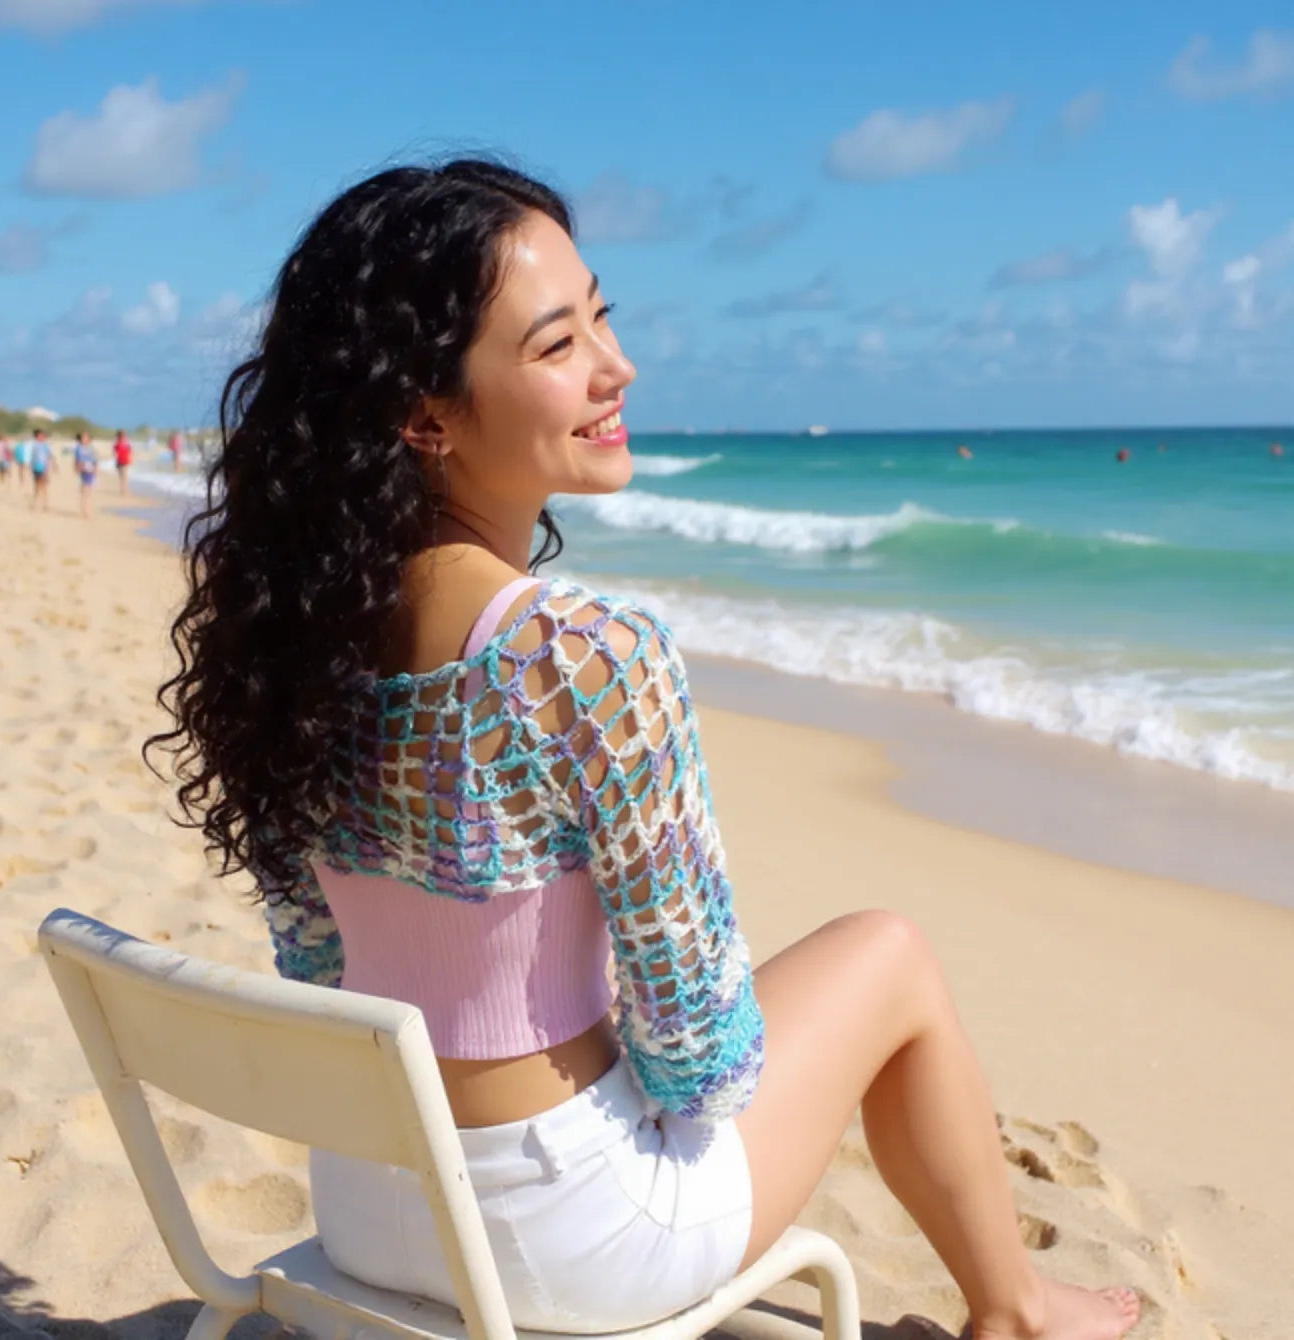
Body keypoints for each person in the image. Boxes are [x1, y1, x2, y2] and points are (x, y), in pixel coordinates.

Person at [146, 159, 1139, 1339]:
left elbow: (318, 963)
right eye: (558, 343)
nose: (617, 367)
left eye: (600, 317)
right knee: (889, 952)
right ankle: (1016, 1306)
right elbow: (703, 1068)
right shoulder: (580, 656)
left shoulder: (287, 637)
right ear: (424, 414)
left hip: (366, 1198)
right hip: (561, 1239)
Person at [74, 431, 99, 518]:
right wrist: (76, 468)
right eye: (83, 437)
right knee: (85, 490)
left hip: (90, 469)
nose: (85, 439)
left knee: (87, 491)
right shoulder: (78, 448)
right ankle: (84, 511)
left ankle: (85, 510)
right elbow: (76, 459)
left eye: (86, 437)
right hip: (83, 470)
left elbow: (95, 459)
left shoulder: (91, 447)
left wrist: (96, 469)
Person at [28, 428, 53, 510]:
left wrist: (49, 468)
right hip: (37, 467)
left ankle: (44, 504)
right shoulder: (35, 445)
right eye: (41, 435)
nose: (43, 437)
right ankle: (37, 503)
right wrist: (31, 467)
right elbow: (32, 458)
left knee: (43, 486)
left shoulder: (45, 446)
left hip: (43, 468)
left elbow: (49, 457)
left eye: (43, 435)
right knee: (38, 486)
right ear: (37, 436)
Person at [113, 429, 133, 494]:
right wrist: (115, 457)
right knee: (121, 476)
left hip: (125, 461)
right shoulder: (117, 444)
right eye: (123, 435)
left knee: (125, 476)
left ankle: (124, 490)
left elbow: (130, 452)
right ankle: (123, 489)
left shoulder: (127, 444)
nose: (124, 437)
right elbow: (114, 452)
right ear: (119, 436)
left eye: (125, 435)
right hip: (119, 461)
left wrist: (130, 459)